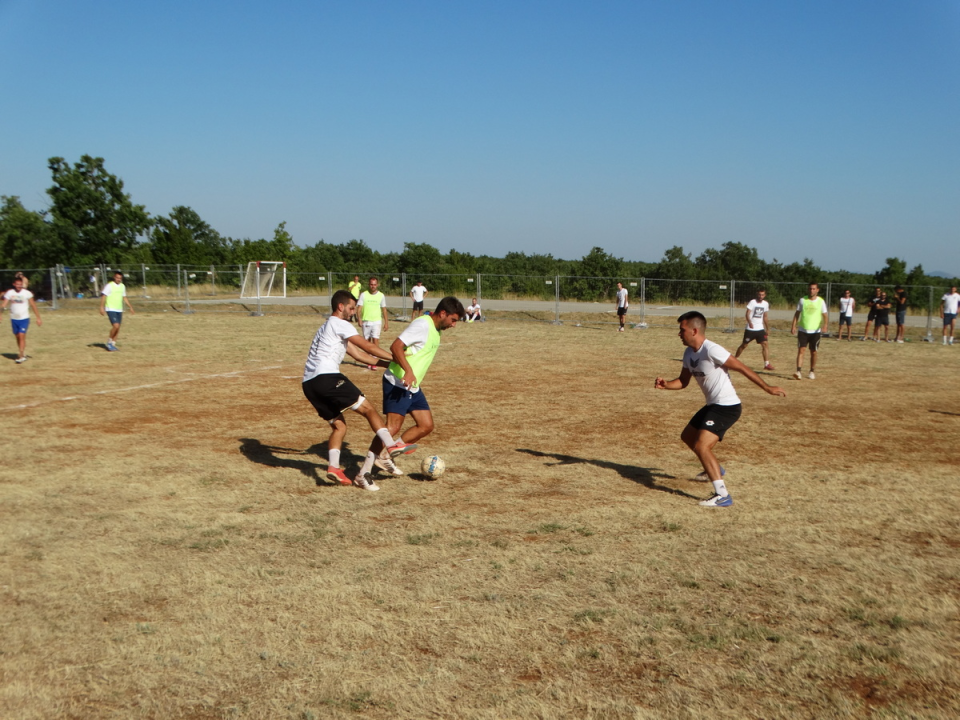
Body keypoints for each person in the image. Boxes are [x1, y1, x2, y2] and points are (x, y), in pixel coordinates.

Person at [654, 311, 785, 508]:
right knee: (688, 436)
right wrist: (666, 385)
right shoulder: (689, 353)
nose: (679, 334)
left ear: (695, 330)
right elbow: (682, 382)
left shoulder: (712, 350)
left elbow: (741, 367)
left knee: (701, 446)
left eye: (682, 330)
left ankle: (722, 495)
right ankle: (715, 468)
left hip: (727, 407)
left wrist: (767, 387)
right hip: (713, 405)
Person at [302, 290, 418, 492]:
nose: (354, 312)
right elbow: (368, 347)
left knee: (339, 426)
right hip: (327, 377)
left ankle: (334, 468)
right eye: (351, 308)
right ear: (341, 307)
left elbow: (359, 356)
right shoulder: (340, 323)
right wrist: (397, 357)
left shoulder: (327, 328)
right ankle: (391, 445)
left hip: (310, 384)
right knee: (369, 410)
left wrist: (386, 365)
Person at [372, 296, 465, 485]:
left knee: (426, 425)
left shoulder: (436, 329)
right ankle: (368, 464)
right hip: (398, 381)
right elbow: (395, 346)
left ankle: (386, 455)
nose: (454, 325)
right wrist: (408, 371)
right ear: (443, 313)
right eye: (453, 320)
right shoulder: (422, 324)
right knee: (392, 428)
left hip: (412, 386)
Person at [790, 282, 828, 380]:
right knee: (801, 350)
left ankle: (812, 371)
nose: (812, 290)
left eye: (814, 289)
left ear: (817, 290)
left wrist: (825, 325)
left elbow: (825, 315)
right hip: (803, 330)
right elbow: (797, 314)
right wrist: (793, 326)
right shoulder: (803, 300)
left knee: (814, 352)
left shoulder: (821, 301)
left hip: (815, 331)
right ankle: (798, 371)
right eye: (810, 289)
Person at [2, 274, 43, 363]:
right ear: (14, 284)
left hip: (24, 318)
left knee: (21, 335)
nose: (19, 286)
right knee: (17, 336)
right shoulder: (10, 293)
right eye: (17, 284)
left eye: (20, 284)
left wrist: (38, 318)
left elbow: (33, 305)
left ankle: (20, 355)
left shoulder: (27, 293)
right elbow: (3, 305)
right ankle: (22, 353)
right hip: (14, 318)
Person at [734, 288, 774, 370]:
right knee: (744, 345)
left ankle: (766, 364)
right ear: (757, 294)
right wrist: (750, 322)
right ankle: (734, 360)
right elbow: (747, 313)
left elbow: (765, 316)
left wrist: (767, 328)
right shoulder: (752, 302)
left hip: (760, 329)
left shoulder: (765, 304)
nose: (760, 296)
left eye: (762, 295)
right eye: (759, 294)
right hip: (750, 329)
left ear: (765, 295)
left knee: (765, 344)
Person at [99, 271, 135, 351]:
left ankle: (113, 344)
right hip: (110, 308)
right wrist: (101, 307)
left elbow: (124, 297)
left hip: (119, 309)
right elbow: (103, 296)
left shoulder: (122, 286)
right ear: (114, 277)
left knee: (118, 328)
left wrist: (130, 307)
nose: (118, 279)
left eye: (120, 278)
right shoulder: (109, 285)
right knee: (116, 326)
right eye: (117, 278)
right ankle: (109, 342)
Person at [356, 277, 389, 347]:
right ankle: (369, 356)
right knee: (367, 341)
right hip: (366, 321)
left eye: (374, 284)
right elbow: (359, 309)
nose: (373, 286)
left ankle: (376, 356)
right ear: (369, 284)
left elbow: (384, 310)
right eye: (371, 284)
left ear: (377, 285)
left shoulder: (381, 295)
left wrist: (386, 323)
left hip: (376, 321)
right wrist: (359, 319)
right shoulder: (363, 295)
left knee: (375, 339)